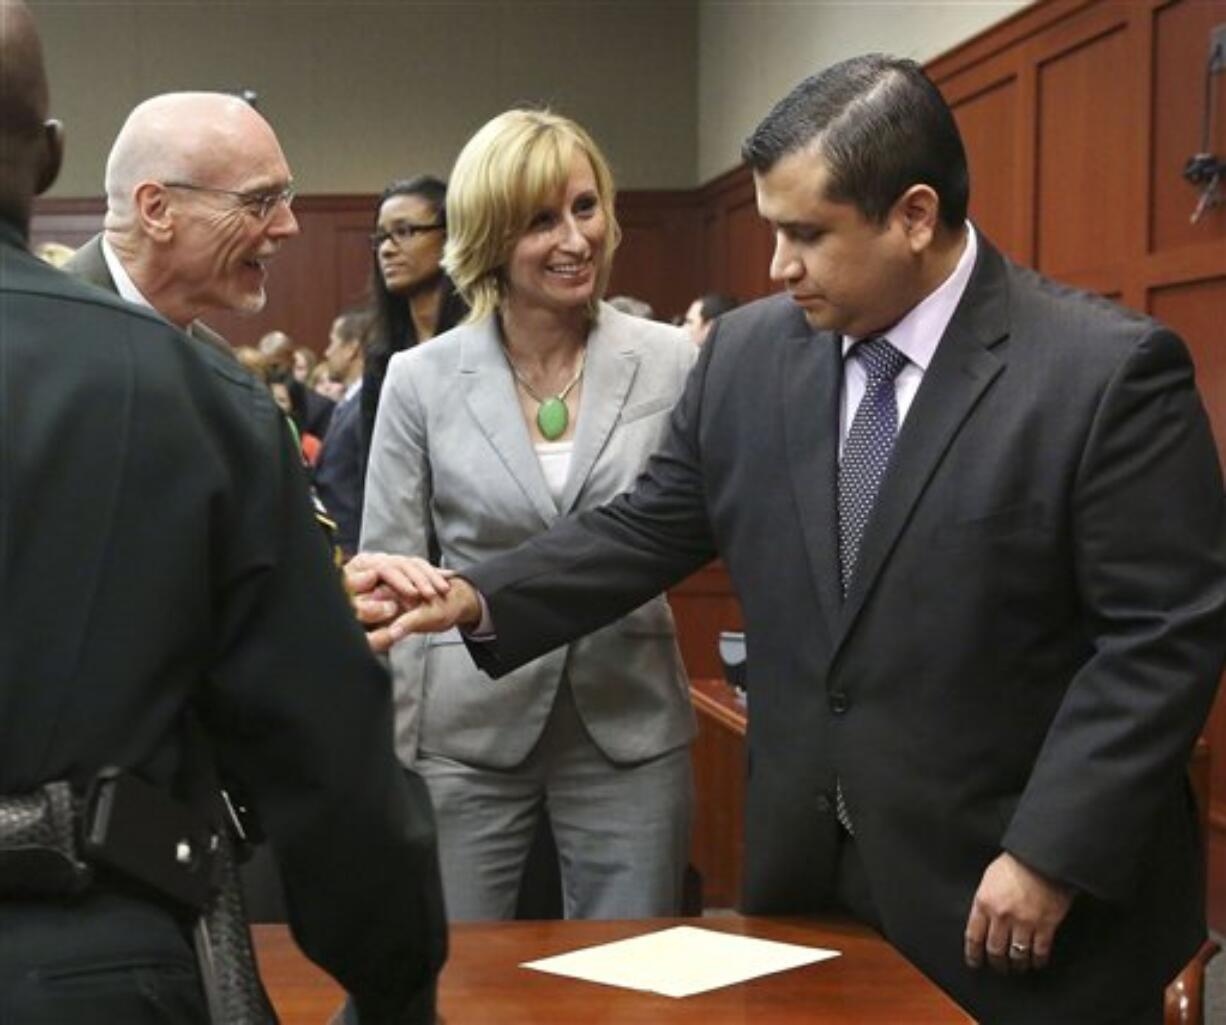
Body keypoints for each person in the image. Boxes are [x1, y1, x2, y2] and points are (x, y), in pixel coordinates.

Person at [358, 56, 1226, 1023]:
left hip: (1012, 900)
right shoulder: (748, 356)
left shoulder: (1102, 376)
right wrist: (478, 594)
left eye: (806, 234)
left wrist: (1050, 851)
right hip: (813, 885)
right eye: (774, 230)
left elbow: (1160, 637)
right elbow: (648, 526)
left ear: (913, 214)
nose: (777, 267)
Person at [0, 4, 445, 1021]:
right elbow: (324, 746)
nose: (287, 227)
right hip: (84, 951)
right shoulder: (189, 395)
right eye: (263, 201)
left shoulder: (199, 384)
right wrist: (392, 978)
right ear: (50, 157)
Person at [360, 109, 697, 922]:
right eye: (539, 221)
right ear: (487, 238)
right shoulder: (420, 378)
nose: (574, 239)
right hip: (468, 727)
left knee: (633, 981)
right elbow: (390, 572)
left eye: (586, 208)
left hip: (630, 718)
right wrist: (392, 754)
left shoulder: (673, 360)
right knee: (457, 981)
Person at [63, 91, 299, 360]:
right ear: (157, 210)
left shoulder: (216, 361)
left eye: (284, 197)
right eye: (259, 201)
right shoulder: (31, 339)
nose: (288, 226)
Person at [360, 176, 469, 465]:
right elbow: (372, 469)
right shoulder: (381, 352)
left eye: (404, 231)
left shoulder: (486, 338)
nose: (386, 249)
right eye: (381, 236)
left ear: (450, 236)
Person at [315, 308, 373, 558]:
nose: (327, 352)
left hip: (352, 546)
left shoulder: (365, 405)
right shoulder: (347, 404)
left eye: (333, 342)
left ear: (352, 349)